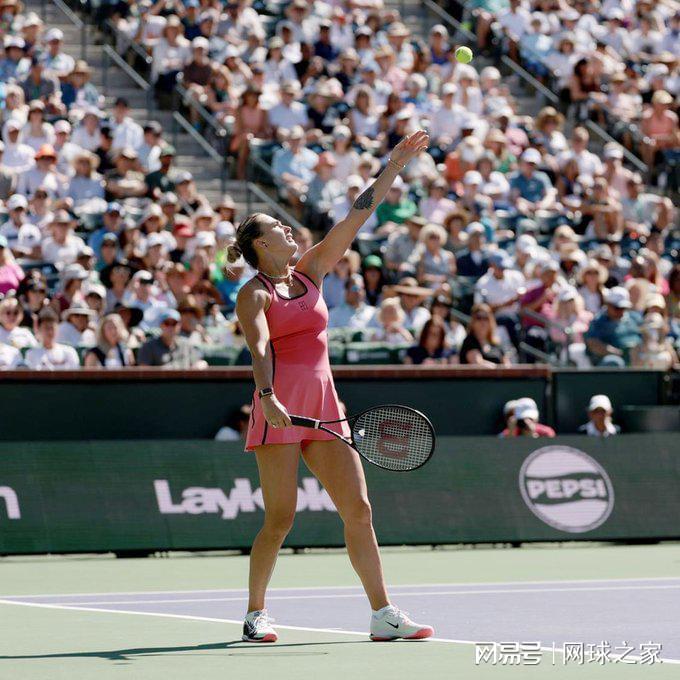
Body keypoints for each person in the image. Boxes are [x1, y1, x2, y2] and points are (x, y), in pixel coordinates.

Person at [230, 131, 434, 643]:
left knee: (359, 510)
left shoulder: (312, 271)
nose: (289, 230)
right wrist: (267, 397)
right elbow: (259, 347)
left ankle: (383, 613)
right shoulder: (253, 294)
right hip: (278, 408)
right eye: (278, 228)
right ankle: (256, 613)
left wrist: (393, 165)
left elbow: (356, 217)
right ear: (261, 245)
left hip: (325, 408)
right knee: (280, 519)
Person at [584, 287, 641, 367]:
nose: (621, 311)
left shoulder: (635, 318)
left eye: (623, 308)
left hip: (638, 357)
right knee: (613, 362)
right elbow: (592, 343)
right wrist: (619, 353)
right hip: (612, 361)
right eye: (617, 308)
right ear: (608, 305)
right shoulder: (598, 322)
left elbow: (646, 336)